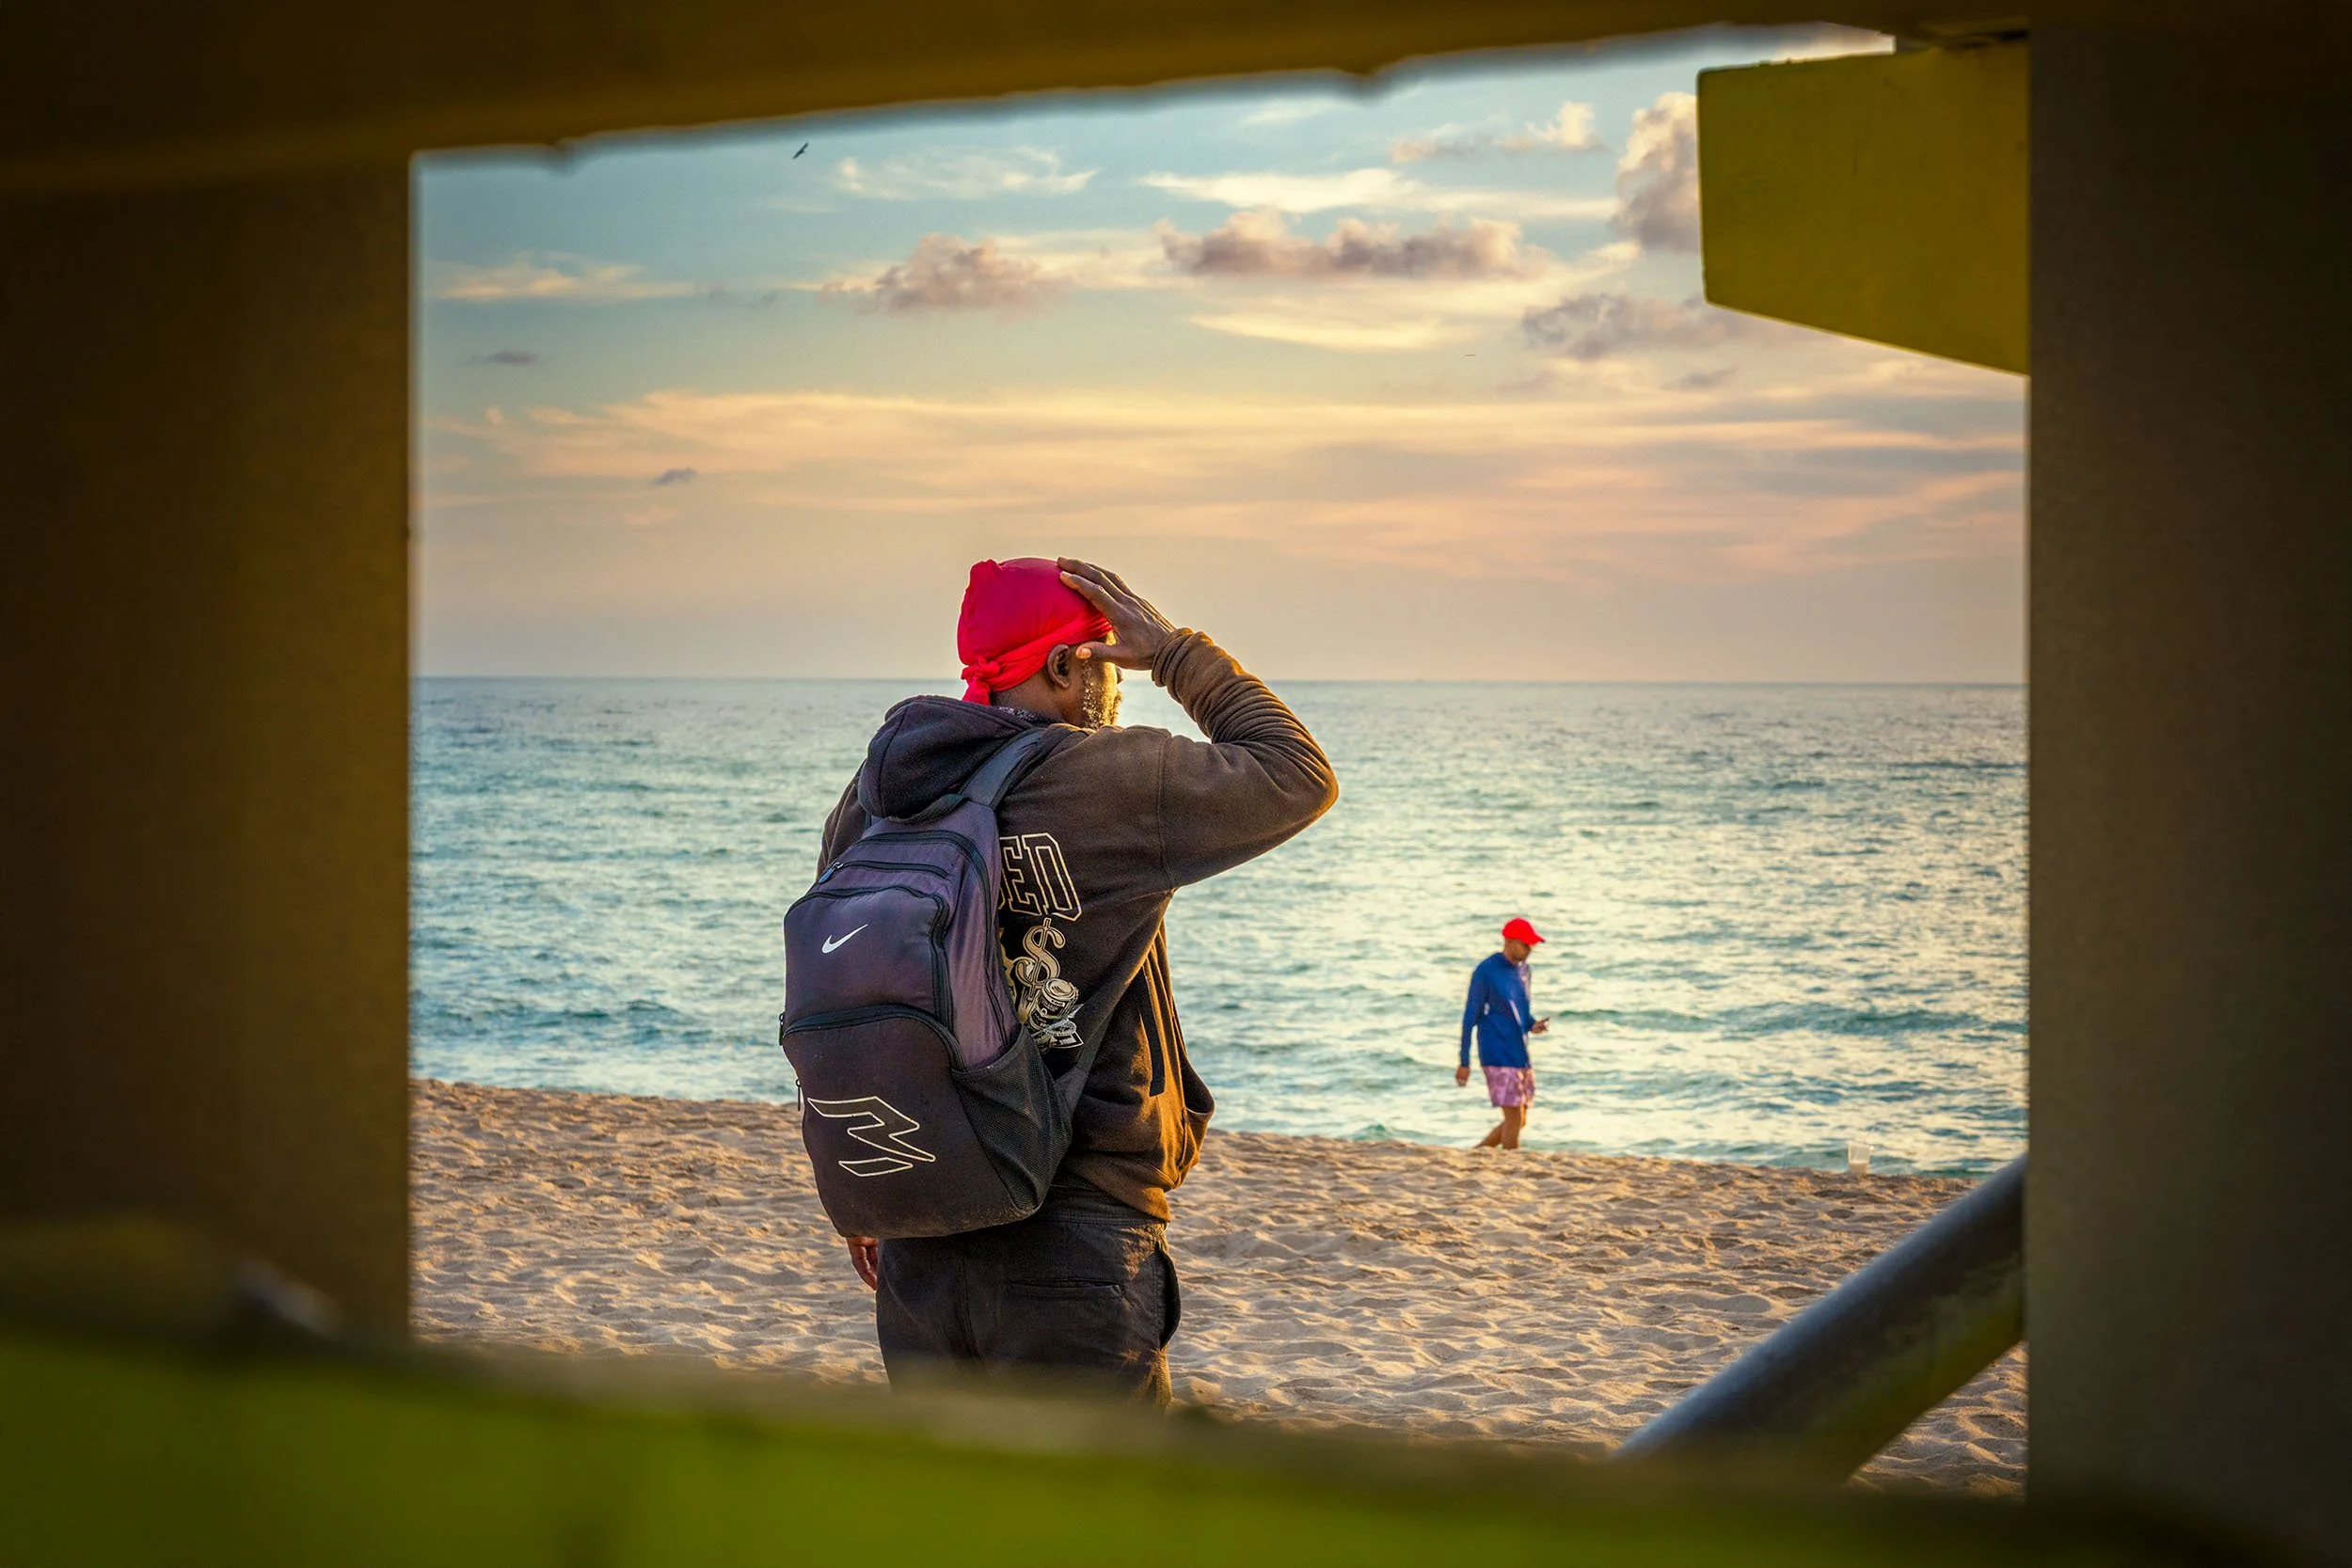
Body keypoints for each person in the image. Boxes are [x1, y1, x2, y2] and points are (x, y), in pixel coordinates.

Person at [820, 556, 1337, 1402]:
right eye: (1103, 654)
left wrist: (868, 1189)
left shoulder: (876, 795)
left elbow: (845, 990)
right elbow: (1297, 774)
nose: (1115, 682)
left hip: (918, 1234)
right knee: (1109, 1531)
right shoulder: (1104, 778)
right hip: (1074, 1240)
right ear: (1065, 666)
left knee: (959, 1523)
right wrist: (1173, 649)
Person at [1455, 917, 1549, 1149]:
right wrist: (1464, 1061)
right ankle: (1511, 1165)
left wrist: (1532, 1025)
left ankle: (1477, 1154)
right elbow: (1470, 1017)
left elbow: (1520, 1010)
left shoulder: (1525, 971)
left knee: (1521, 1119)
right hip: (1495, 1051)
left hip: (1519, 1053)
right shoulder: (1486, 971)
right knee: (1514, 1116)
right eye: (1525, 944)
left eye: (1532, 945)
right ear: (1509, 941)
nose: (1530, 950)